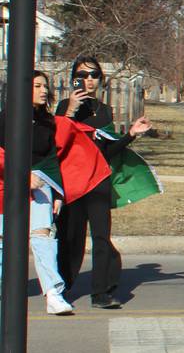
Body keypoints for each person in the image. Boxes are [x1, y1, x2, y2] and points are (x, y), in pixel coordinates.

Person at [55, 56, 151, 308]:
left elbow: (106, 151)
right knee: (71, 238)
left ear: (101, 79)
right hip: (73, 181)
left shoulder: (104, 110)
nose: (88, 80)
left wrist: (130, 135)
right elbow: (57, 141)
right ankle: (63, 289)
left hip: (98, 180)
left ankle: (101, 293)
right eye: (83, 74)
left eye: (94, 75)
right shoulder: (65, 105)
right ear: (73, 77)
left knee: (101, 237)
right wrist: (71, 110)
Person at [0, 72, 71, 315]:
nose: (44, 90)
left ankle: (53, 294)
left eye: (45, 86)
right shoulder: (6, 118)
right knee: (3, 239)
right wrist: (21, 176)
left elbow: (52, 158)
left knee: (43, 236)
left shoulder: (48, 121)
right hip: (5, 187)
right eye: (38, 86)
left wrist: (58, 192)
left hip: (41, 185)